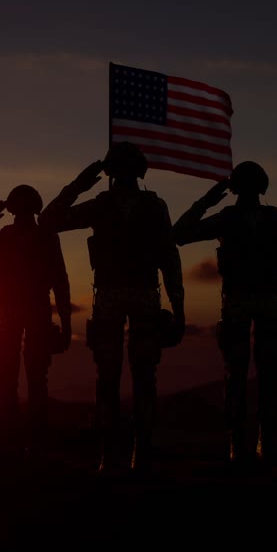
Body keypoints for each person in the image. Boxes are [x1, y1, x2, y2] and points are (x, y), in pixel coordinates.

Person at [40, 142, 185, 472]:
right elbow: (170, 258)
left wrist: (79, 184)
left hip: (123, 296)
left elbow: (49, 220)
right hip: (132, 296)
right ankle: (128, 453)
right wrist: (178, 305)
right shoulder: (136, 206)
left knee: (118, 376)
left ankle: (124, 453)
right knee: (129, 375)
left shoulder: (109, 206)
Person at [173, 161, 277, 465]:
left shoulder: (262, 220)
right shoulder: (235, 219)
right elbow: (179, 234)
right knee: (243, 376)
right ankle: (243, 446)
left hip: (259, 303)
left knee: (258, 376)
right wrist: (206, 202)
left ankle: (258, 445)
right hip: (245, 304)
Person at [0, 184, 72, 457]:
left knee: (9, 378)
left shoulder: (7, 237)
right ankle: (34, 443)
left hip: (14, 313)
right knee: (35, 378)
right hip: (34, 312)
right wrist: (65, 321)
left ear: (12, 208)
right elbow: (61, 281)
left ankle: (9, 444)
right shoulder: (44, 236)